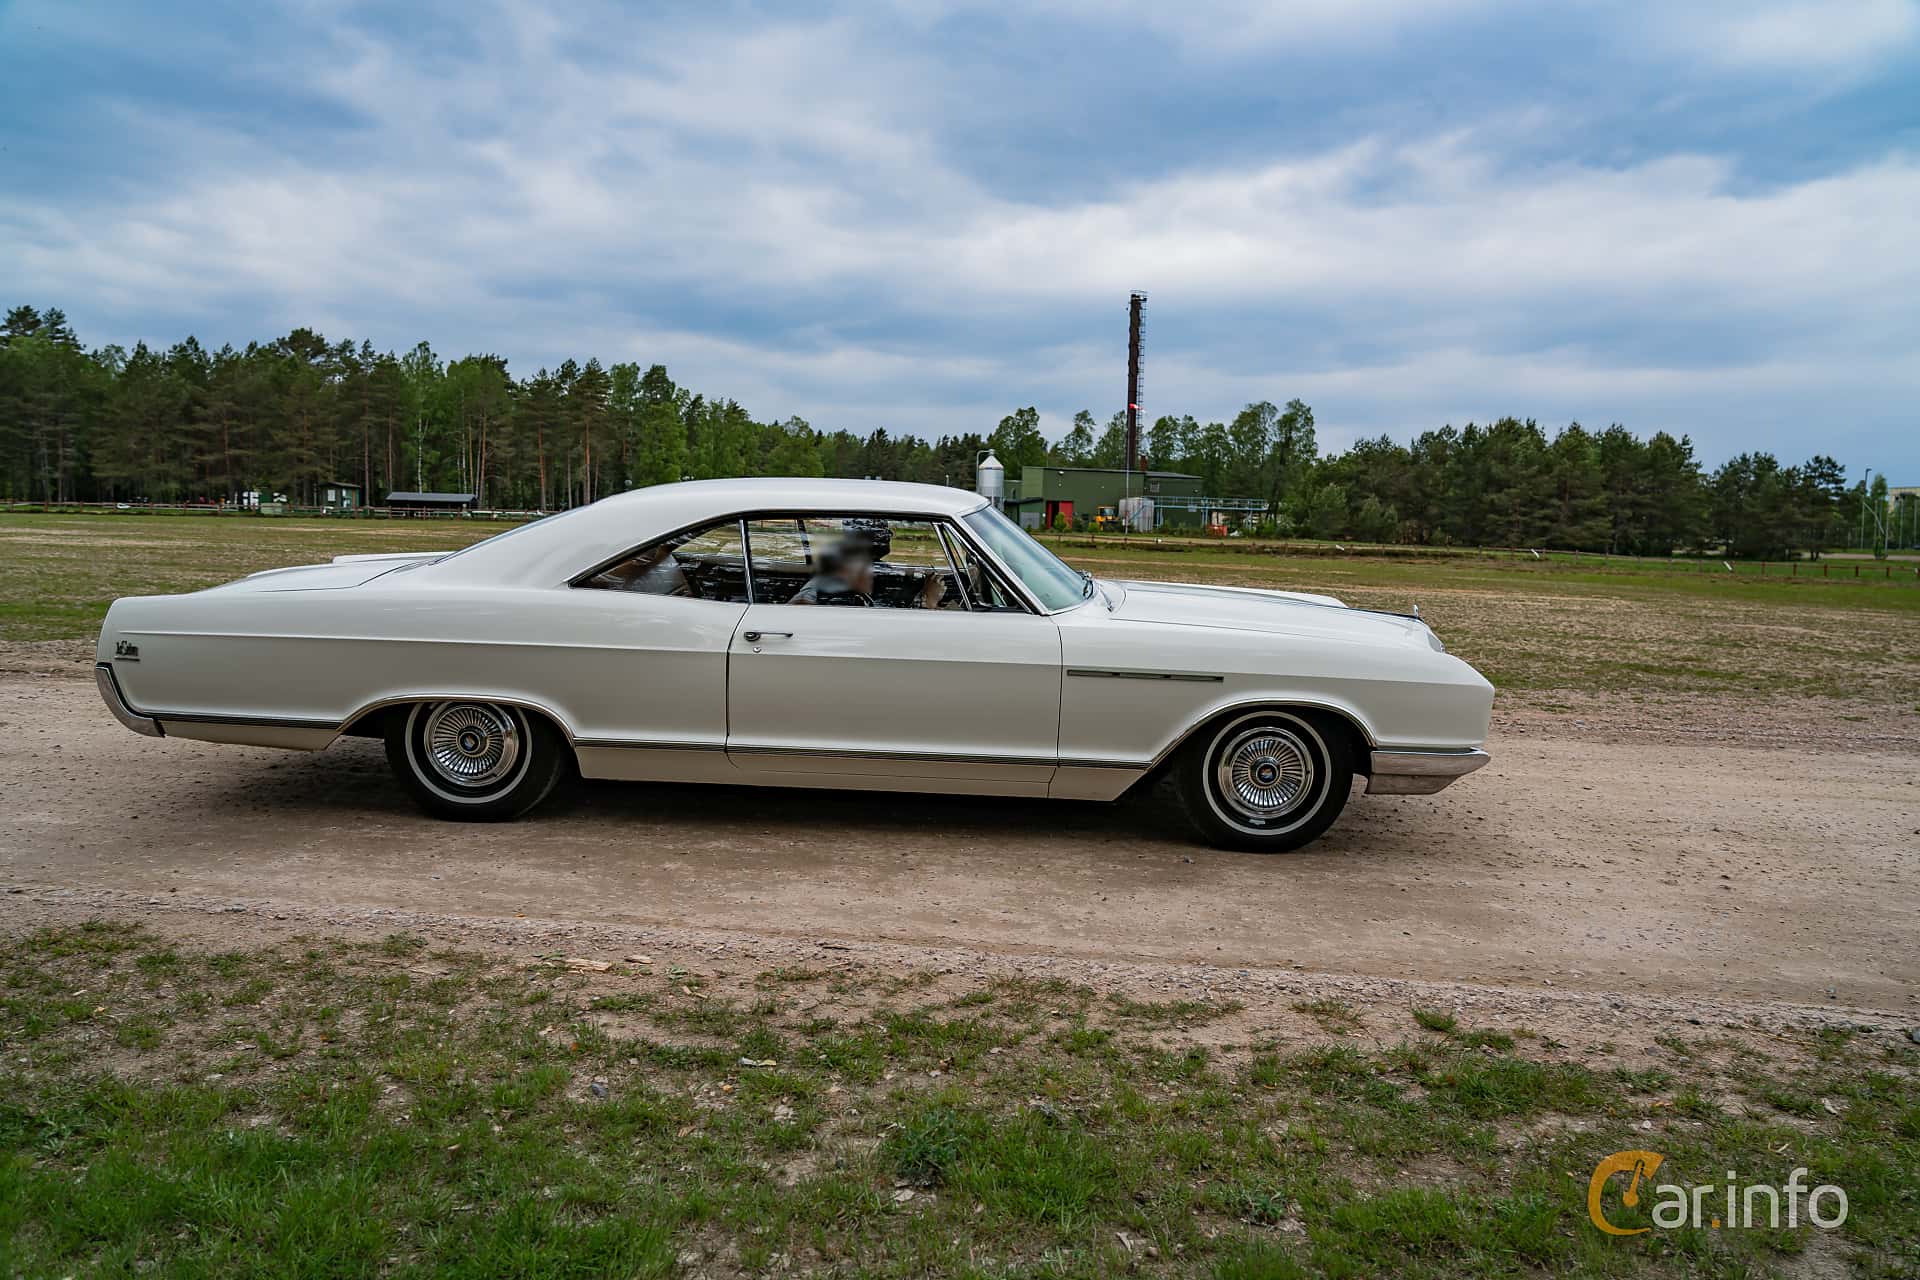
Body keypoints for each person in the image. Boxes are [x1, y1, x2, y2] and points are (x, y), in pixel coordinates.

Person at [789, 520, 946, 608]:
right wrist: (928, 602)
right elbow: (796, 613)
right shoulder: (826, 583)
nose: (888, 536)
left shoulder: (885, 573)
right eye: (882, 532)